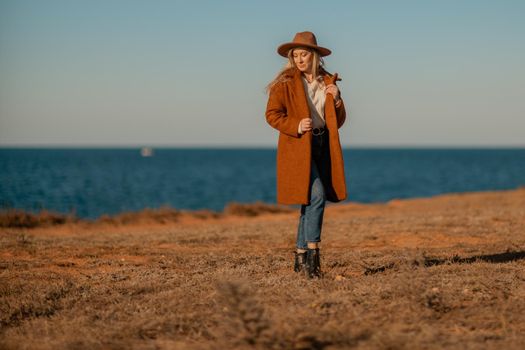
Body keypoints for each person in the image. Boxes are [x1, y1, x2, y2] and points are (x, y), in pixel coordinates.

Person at [265, 31, 348, 279]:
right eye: (295, 55)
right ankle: (314, 260)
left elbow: (339, 121)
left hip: (323, 144)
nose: (299, 59)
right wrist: (296, 126)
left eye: (304, 54)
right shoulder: (285, 82)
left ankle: (300, 258)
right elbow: (272, 114)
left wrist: (337, 100)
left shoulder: (327, 81)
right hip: (299, 146)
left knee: (308, 200)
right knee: (317, 195)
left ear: (315, 56)